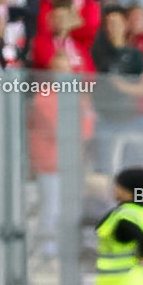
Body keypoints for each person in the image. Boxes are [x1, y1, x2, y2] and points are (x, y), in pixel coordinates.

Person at [28, 50, 96, 257]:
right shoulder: (43, 95)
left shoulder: (79, 95)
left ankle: (63, 249)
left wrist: (78, 131)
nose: (63, 74)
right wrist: (75, 129)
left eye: (66, 69)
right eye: (58, 69)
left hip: (72, 161)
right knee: (51, 207)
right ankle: (46, 250)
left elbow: (88, 125)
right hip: (49, 163)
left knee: (69, 209)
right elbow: (56, 126)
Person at [90, 4, 143, 173]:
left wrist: (122, 86)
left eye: (116, 23)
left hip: (128, 120)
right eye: (109, 24)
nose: (112, 28)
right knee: (106, 166)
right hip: (104, 119)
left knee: (131, 165)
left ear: (125, 25)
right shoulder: (98, 52)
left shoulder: (135, 55)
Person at [29, 0, 93, 72]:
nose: (61, 21)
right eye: (57, 17)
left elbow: (90, 72)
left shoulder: (79, 46)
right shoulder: (41, 42)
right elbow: (56, 66)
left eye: (65, 17)